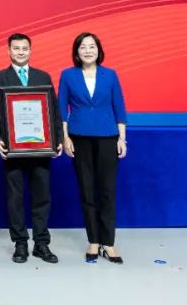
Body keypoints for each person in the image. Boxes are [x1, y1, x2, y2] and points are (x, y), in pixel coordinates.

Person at [0, 33, 63, 264]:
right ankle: (20, 243)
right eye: (16, 48)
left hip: (41, 148)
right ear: (8, 51)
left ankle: (41, 243)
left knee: (42, 197)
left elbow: (54, 110)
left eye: (24, 48)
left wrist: (58, 138)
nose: (21, 52)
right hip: (12, 150)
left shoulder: (43, 76)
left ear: (30, 51)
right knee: (15, 198)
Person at [58, 32, 128, 264]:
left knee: (107, 191)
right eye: (83, 47)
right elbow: (61, 110)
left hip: (108, 137)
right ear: (76, 52)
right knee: (87, 191)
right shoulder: (68, 75)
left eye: (92, 46)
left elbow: (119, 107)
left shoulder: (110, 75)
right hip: (79, 138)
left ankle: (108, 243)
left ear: (99, 50)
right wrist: (65, 138)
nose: (88, 51)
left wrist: (122, 139)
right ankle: (94, 241)